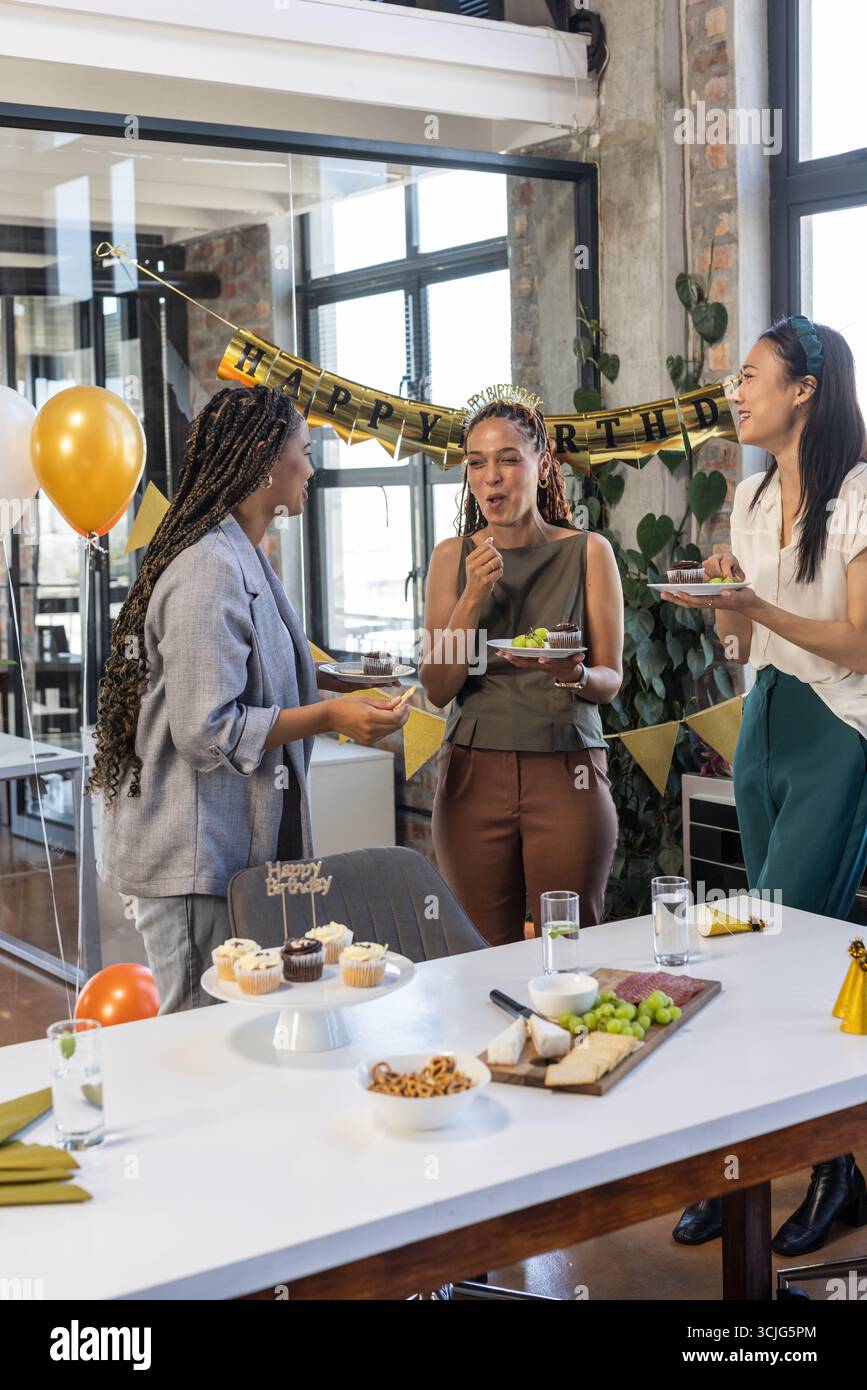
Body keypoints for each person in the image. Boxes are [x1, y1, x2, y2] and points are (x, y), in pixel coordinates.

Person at [90, 385, 408, 1013]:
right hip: (191, 857)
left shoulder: (244, 552)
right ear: (266, 459)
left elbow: (251, 679)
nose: (312, 470)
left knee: (235, 1027)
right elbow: (206, 728)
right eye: (305, 451)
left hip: (224, 850)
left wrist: (341, 686)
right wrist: (332, 716)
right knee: (199, 1037)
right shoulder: (210, 568)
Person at [663, 317, 867, 1255]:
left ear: (804, 391)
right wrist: (723, 609)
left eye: (750, 377)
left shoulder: (862, 494)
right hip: (763, 722)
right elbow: (747, 646)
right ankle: (749, 1167)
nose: (733, 392)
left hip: (837, 733)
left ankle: (825, 1166)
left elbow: (858, 642)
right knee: (753, 948)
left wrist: (756, 605)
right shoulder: (745, 498)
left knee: (785, 945)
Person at [420, 391, 623, 946]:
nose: (492, 478)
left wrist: (574, 676)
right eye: (477, 463)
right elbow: (438, 688)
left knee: (569, 945)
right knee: (480, 954)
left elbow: (610, 680)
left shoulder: (589, 551)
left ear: (542, 465)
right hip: (471, 776)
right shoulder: (450, 557)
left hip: (568, 771)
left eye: (508, 459)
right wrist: (471, 596)